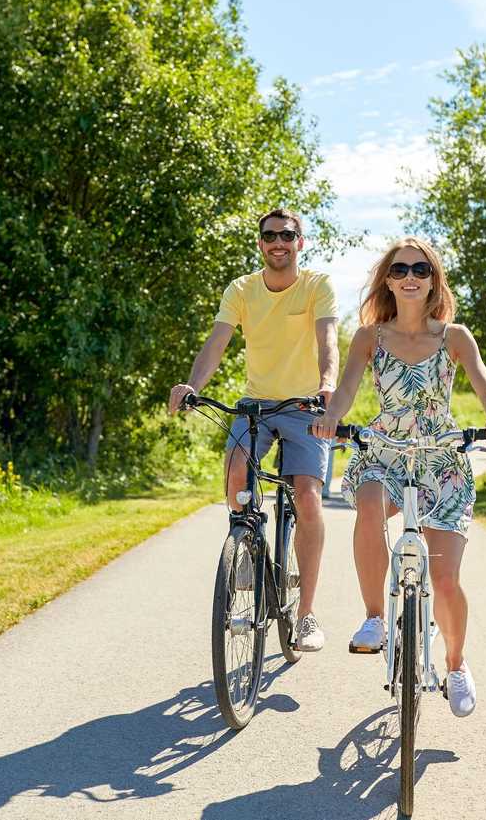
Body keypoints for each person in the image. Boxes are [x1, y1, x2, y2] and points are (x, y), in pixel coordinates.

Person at [312, 236, 486, 715]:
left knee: (443, 580)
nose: (409, 277)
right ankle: (375, 619)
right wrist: (329, 420)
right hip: (385, 449)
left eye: (420, 270)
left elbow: (485, 385)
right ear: (387, 279)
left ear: (433, 280)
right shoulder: (369, 337)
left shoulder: (454, 336)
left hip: (441, 457)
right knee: (367, 506)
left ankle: (457, 663)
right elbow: (345, 393)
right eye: (399, 270)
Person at [169, 208, 339, 651]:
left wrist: (326, 388)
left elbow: (328, 342)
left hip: (305, 405)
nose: (277, 242)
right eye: (269, 236)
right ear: (260, 243)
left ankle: (306, 615)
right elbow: (217, 342)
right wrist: (193, 386)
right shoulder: (241, 290)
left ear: (300, 242)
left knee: (306, 494)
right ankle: (245, 536)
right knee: (235, 470)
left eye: (287, 235)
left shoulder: (317, 286)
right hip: (257, 404)